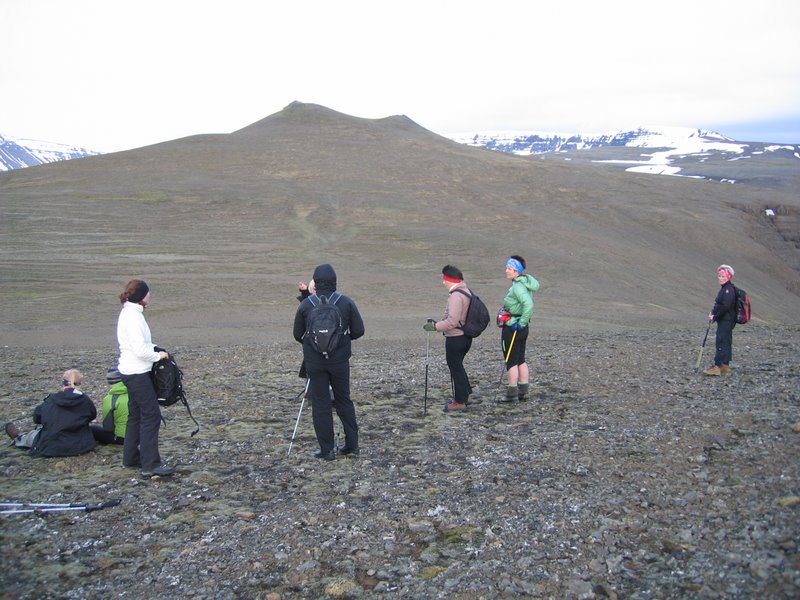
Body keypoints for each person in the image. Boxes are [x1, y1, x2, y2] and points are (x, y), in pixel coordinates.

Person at [293, 264, 365, 460]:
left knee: (320, 404)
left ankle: (327, 450)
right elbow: (359, 331)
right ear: (334, 281)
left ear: (315, 283)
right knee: (343, 400)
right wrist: (341, 341)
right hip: (339, 361)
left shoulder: (306, 305)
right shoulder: (346, 302)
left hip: (315, 362)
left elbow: (297, 334)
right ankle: (352, 446)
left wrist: (314, 346)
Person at [116, 279, 175, 477]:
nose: (150, 296)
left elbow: (140, 344)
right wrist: (158, 356)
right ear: (142, 296)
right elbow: (140, 350)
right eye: (148, 293)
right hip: (136, 372)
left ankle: (131, 458)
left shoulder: (129, 312)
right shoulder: (133, 317)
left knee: (135, 414)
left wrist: (155, 348)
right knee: (151, 415)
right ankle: (150, 464)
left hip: (129, 370)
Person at [4, 369, 97, 457]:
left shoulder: (51, 400)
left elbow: (36, 418)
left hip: (52, 447)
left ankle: (18, 438)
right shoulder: (85, 401)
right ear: (79, 384)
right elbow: (92, 415)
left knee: (36, 435)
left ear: (63, 382)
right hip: (81, 446)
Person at [423, 265, 474, 412]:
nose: (443, 282)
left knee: (455, 367)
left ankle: (460, 401)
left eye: (444, 279)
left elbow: (452, 321)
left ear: (450, 279)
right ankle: (465, 393)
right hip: (465, 336)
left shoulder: (456, 296)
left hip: (456, 337)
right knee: (458, 366)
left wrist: (435, 327)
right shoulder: (466, 291)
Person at [499, 255, 540, 402]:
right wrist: (523, 323)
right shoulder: (524, 283)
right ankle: (523, 391)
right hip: (522, 327)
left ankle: (512, 393)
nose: (506, 270)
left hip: (513, 327)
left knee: (511, 360)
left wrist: (520, 322)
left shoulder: (518, 287)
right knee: (521, 358)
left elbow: (528, 305)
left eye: (509, 268)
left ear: (516, 271)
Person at [704, 264, 737, 376]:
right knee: (726, 341)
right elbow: (720, 305)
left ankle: (717, 367)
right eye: (719, 276)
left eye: (723, 276)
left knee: (721, 341)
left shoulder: (728, 290)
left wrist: (715, 316)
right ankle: (725, 365)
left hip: (726, 320)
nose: (720, 278)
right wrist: (713, 313)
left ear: (728, 277)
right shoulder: (726, 289)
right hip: (726, 320)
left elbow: (725, 306)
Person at [90, 367, 128, 445]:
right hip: (141, 435)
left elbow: (108, 427)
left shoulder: (109, 399)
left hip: (122, 438)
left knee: (92, 428)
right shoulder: (136, 393)